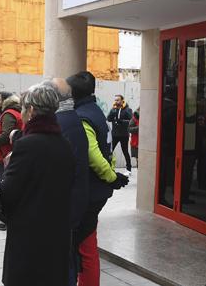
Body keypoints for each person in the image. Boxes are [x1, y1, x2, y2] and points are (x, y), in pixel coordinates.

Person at [0, 82, 75, 286]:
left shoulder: (26, 145)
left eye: (23, 108)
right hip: (57, 233)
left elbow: (7, 195)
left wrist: (7, 168)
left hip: (29, 236)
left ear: (31, 111)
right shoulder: (64, 144)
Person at [67, 71, 129, 286]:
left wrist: (112, 177)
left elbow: (93, 155)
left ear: (72, 93)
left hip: (90, 190)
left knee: (85, 247)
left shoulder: (82, 116)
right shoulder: (96, 111)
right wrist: (112, 176)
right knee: (88, 242)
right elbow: (108, 151)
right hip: (98, 189)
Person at [52, 78, 90, 285]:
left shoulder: (64, 123)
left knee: (65, 258)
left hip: (66, 205)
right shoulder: (69, 119)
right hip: (69, 202)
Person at [0, 94, 22, 183]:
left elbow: (6, 135)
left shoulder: (9, 114)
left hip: (3, 154)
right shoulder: (16, 112)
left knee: (3, 183)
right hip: (8, 153)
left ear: (5, 101)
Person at [107, 94, 133, 176]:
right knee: (109, 151)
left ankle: (129, 169)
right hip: (114, 134)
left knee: (125, 151)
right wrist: (112, 112)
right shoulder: (113, 109)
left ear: (122, 100)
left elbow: (130, 121)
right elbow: (108, 119)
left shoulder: (127, 109)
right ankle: (108, 167)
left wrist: (122, 121)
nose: (116, 101)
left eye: (118, 100)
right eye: (115, 100)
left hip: (124, 134)